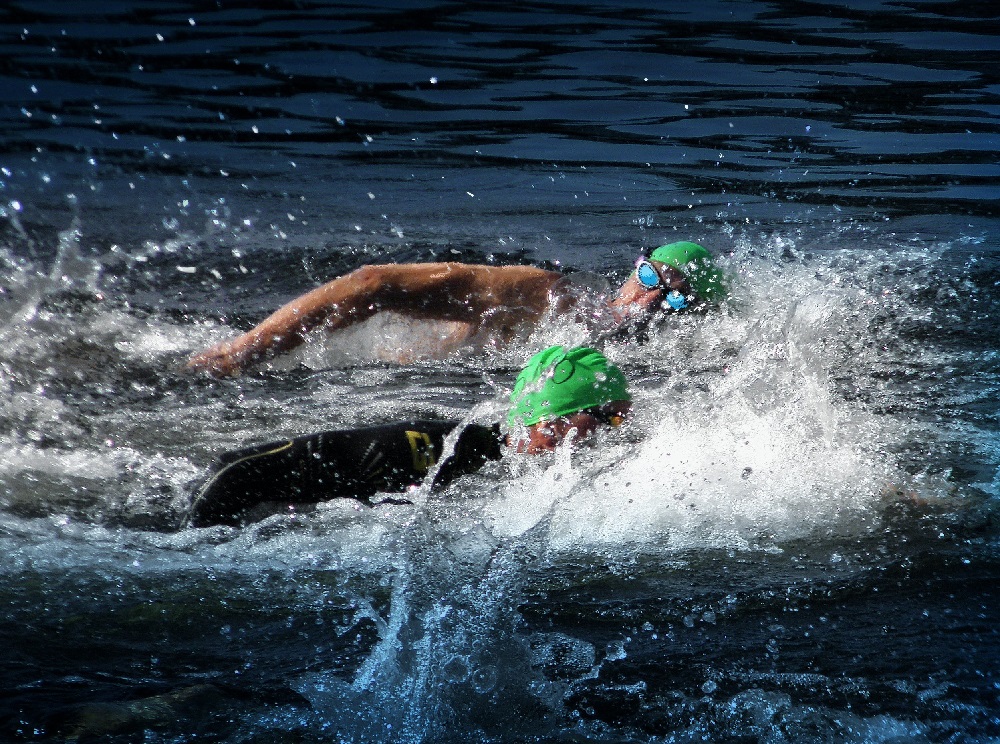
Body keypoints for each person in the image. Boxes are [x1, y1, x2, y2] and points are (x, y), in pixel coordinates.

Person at [186, 345, 632, 527]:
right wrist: (194, 544)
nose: (613, 432)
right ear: (553, 422)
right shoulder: (432, 449)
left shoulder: (494, 464)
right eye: (607, 418)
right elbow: (236, 470)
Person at [185, 241, 726, 377]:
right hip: (386, 381)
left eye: (674, 297)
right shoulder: (553, 296)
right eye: (651, 278)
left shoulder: (669, 370)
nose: (650, 299)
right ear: (634, 269)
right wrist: (240, 353)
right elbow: (372, 283)